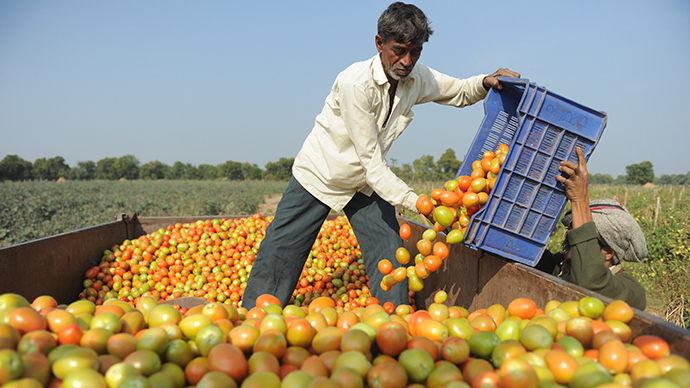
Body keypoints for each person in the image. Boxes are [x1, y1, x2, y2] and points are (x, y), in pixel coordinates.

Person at [241, 2, 520, 309]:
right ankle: (254, 316)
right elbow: (372, 162)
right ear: (379, 43)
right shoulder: (355, 84)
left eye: (415, 52)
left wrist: (484, 81)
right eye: (399, 50)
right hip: (322, 173)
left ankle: (393, 320)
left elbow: (458, 91)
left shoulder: (416, 77)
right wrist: (418, 203)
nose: (406, 60)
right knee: (283, 249)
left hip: (364, 182)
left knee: (389, 249)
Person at [537, 147, 647, 310]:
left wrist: (580, 200)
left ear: (609, 252)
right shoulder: (562, 267)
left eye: (582, 237)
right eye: (573, 233)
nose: (572, 239)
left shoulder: (630, 290)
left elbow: (589, 282)